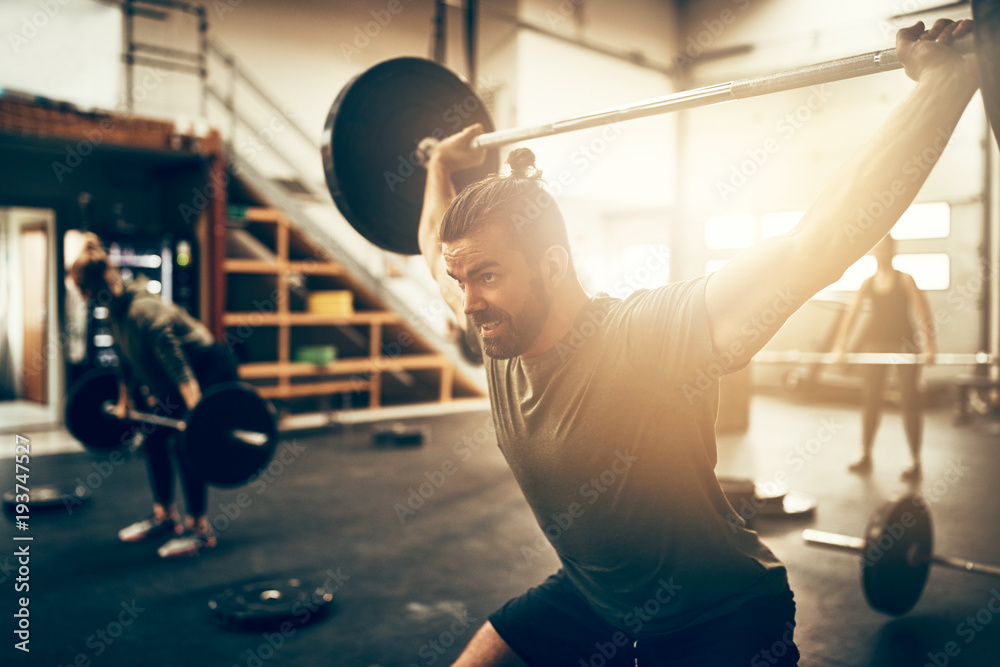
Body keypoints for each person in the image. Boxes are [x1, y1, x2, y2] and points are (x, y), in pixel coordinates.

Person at [416, 18, 977, 666]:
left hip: (720, 614)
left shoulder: (642, 335)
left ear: (551, 265)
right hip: (596, 595)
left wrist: (945, 81)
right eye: (463, 280)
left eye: (486, 274)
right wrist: (437, 166)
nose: (468, 298)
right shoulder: (494, 326)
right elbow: (434, 251)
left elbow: (813, 245)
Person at [69, 233, 239, 558]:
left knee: (185, 442)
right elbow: (124, 360)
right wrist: (124, 402)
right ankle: (165, 516)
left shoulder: (144, 310)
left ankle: (200, 529)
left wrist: (197, 415)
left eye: (82, 290)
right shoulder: (114, 311)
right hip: (178, 379)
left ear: (94, 287)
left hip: (207, 367)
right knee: (154, 437)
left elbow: (178, 365)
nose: (81, 296)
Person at [831, 235, 936, 480]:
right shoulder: (868, 283)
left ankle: (915, 460)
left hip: (905, 346)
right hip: (875, 346)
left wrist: (930, 344)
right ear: (873, 253)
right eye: (878, 249)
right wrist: (839, 346)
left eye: (885, 249)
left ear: (893, 251)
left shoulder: (905, 279)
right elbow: (851, 315)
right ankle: (865, 454)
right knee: (870, 399)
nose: (882, 254)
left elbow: (923, 311)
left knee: (909, 399)